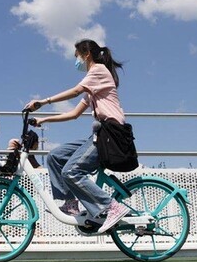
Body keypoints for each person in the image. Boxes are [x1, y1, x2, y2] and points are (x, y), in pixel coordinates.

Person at [24, 39, 130, 234]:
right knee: (55, 156)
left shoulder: (97, 71)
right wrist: (44, 120)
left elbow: (74, 91)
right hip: (100, 134)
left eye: (77, 57)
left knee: (71, 171)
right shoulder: (93, 85)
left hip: (111, 133)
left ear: (86, 54)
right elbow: (74, 114)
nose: (76, 62)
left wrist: (43, 102)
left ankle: (112, 207)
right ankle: (70, 203)